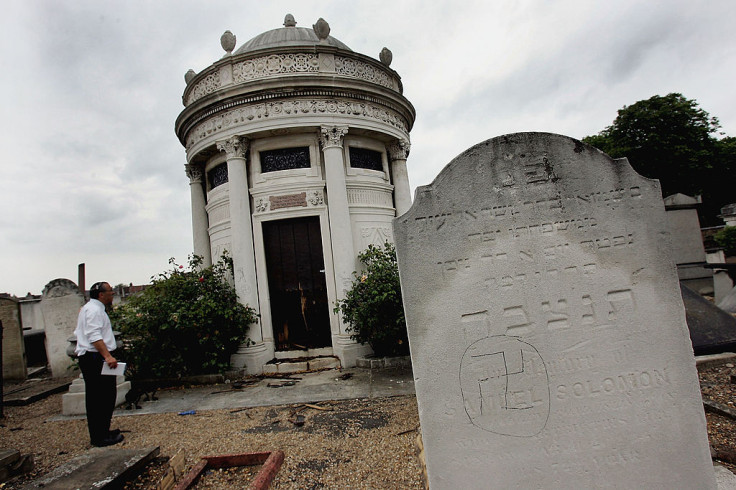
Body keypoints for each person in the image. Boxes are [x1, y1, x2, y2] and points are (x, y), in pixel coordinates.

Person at [74, 282, 124, 447]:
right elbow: (94, 335)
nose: (112, 293)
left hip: (95, 357)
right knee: (99, 397)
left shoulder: (92, 308)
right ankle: (99, 437)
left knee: (106, 396)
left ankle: (103, 430)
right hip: (94, 357)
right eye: (110, 291)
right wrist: (107, 356)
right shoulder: (94, 310)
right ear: (101, 294)